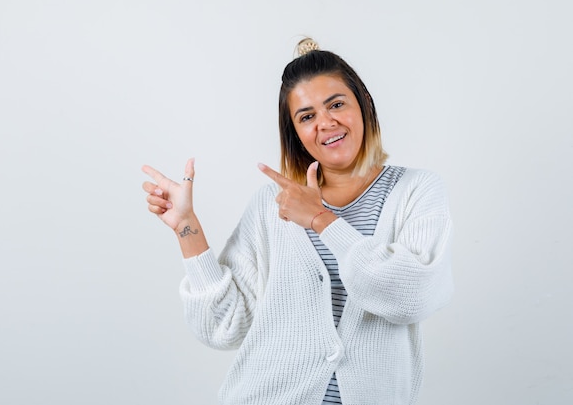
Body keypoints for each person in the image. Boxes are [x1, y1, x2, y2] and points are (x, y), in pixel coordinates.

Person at [141, 38, 453, 405]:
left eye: (336, 104)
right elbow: (222, 327)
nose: (326, 123)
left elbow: (412, 297)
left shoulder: (416, 190)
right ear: (295, 132)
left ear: (364, 104)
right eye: (307, 116)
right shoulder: (272, 205)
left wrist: (321, 220)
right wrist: (186, 228)